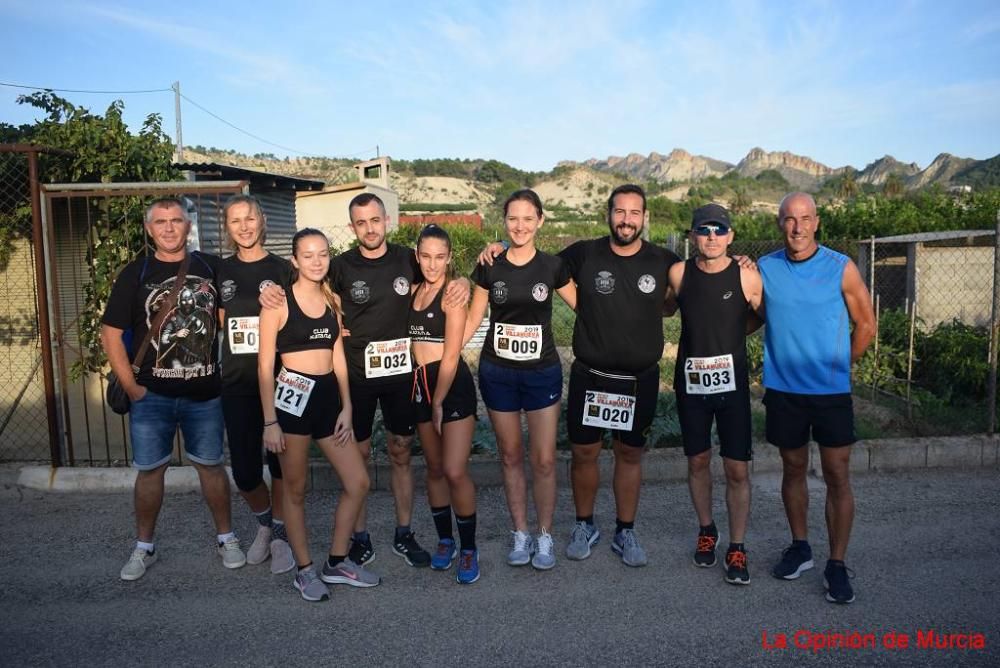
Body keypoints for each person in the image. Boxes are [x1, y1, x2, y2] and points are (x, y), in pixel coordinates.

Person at [262, 193, 469, 568]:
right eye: (361, 222)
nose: (369, 228)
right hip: (355, 377)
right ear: (352, 226)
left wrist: (466, 282)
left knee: (401, 452)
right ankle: (359, 538)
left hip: (401, 378)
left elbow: (443, 273)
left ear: (386, 220)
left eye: (375, 220)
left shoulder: (409, 258)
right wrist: (269, 290)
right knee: (356, 457)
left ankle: (404, 533)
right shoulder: (338, 266)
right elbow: (299, 281)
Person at [101, 197, 245, 581]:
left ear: (187, 226)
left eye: (176, 220)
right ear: (150, 229)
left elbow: (231, 316)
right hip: (152, 397)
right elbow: (111, 333)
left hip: (205, 395)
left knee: (211, 467)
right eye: (160, 221)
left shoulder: (209, 267)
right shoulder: (136, 272)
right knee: (150, 472)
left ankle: (226, 538)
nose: (168, 228)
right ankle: (143, 547)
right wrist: (131, 387)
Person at [759, 192, 875, 604]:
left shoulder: (840, 267)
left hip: (830, 393)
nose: (797, 227)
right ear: (780, 224)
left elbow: (866, 324)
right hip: (784, 391)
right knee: (792, 470)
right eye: (790, 219)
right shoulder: (765, 268)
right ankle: (801, 547)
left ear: (817, 222)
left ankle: (837, 564)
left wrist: (840, 366)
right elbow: (745, 307)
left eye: (805, 219)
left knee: (836, 475)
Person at [258, 228, 379, 602]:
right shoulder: (276, 304)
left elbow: (338, 355)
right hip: (291, 403)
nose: (316, 261)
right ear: (294, 260)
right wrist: (270, 422)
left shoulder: (332, 299)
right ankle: (305, 570)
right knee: (294, 490)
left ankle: (336, 562)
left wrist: (347, 406)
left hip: (328, 398)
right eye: (308, 255)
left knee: (358, 481)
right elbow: (264, 366)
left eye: (323, 254)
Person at [465, 189, 575, 570]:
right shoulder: (489, 264)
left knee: (543, 459)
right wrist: (444, 358)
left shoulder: (552, 266)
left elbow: (588, 307)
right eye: (513, 218)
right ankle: (521, 533)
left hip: (541, 371)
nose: (520, 226)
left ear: (541, 221)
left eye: (529, 218)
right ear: (504, 220)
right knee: (510, 455)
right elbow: (473, 317)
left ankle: (545, 536)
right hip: (498, 373)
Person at [667, 203, 762, 585]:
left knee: (737, 468)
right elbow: (661, 309)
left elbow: (766, 315)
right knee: (698, 462)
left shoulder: (747, 277)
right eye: (704, 230)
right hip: (691, 385)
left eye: (719, 230)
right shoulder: (679, 273)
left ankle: (737, 545)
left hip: (733, 386)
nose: (711, 237)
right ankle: (707, 530)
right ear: (692, 236)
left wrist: (736, 335)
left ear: (731, 236)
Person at [216, 195, 294, 574]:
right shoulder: (221, 271)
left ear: (262, 220)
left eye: (249, 218)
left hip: (281, 382)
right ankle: (265, 524)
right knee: (246, 471)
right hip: (238, 383)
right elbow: (218, 321)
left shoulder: (283, 269)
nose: (244, 226)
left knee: (282, 467)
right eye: (235, 221)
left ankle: (280, 534)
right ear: (227, 228)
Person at [409, 225, 480, 584]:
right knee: (434, 470)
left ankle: (468, 548)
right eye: (426, 256)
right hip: (420, 383)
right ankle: (445, 541)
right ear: (417, 255)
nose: (432, 264)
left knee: (454, 470)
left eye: (440, 257)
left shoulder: (453, 295)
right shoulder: (411, 291)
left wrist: (438, 402)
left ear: (449, 258)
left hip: (450, 387)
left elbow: (451, 356)